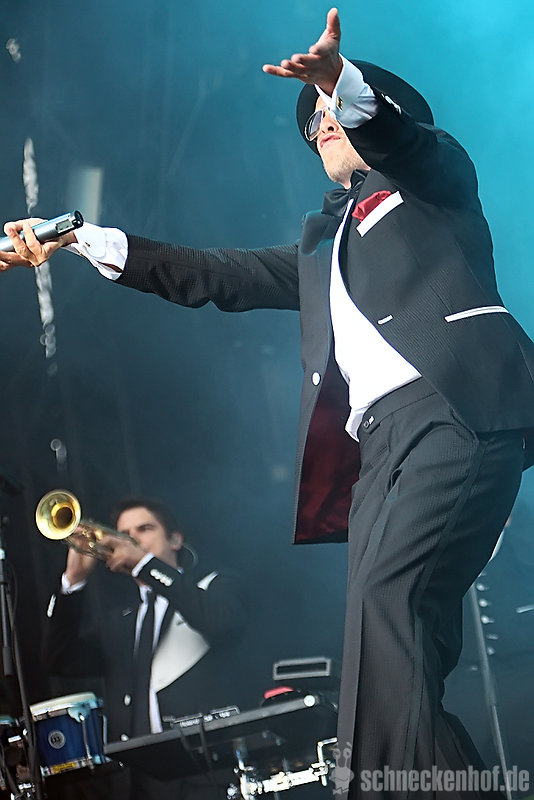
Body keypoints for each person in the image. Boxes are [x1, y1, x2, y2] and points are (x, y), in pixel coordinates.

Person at [4, 8, 534, 798]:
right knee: (381, 642)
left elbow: (402, 140)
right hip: (381, 450)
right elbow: (215, 274)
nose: (322, 124)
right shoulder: (321, 250)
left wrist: (342, 84)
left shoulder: (435, 181)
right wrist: (81, 238)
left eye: (332, 111)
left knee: (390, 602)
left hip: (453, 411)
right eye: (313, 122)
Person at [42, 497, 246, 799]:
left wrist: (146, 565)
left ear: (175, 539)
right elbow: (59, 660)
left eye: (144, 529)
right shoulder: (121, 622)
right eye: (124, 533)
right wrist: (73, 582)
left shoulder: (214, 586)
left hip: (206, 777)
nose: (132, 539)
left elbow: (221, 623)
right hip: (139, 785)